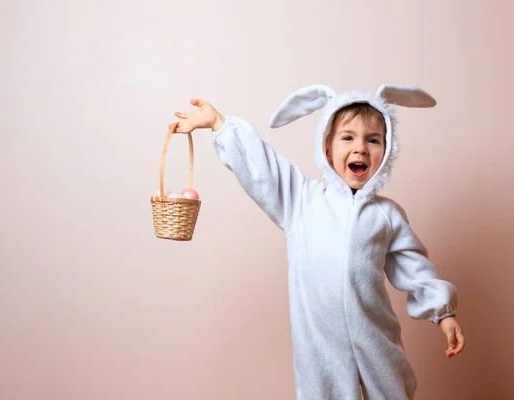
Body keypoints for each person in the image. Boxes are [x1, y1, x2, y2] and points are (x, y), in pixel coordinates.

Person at [172, 84, 465, 399]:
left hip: (377, 346)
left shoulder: (387, 215)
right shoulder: (302, 201)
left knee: (390, 390)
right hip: (321, 354)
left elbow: (414, 267)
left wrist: (443, 313)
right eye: (348, 137)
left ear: (387, 149)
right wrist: (221, 124)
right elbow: (263, 169)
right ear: (327, 148)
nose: (361, 148)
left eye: (373, 140)